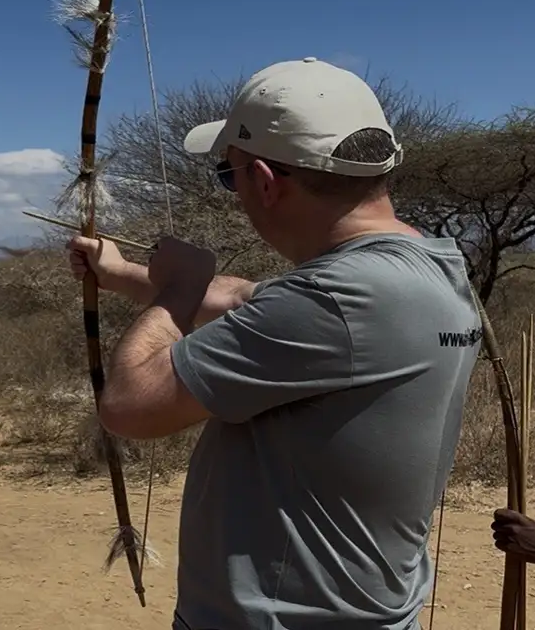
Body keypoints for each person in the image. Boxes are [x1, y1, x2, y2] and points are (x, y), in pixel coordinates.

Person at [68, 57, 483, 630]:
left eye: (229, 175)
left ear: (263, 181)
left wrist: (181, 287)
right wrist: (123, 275)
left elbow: (128, 406)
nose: (234, 190)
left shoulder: (337, 301)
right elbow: (247, 300)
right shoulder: (422, 270)